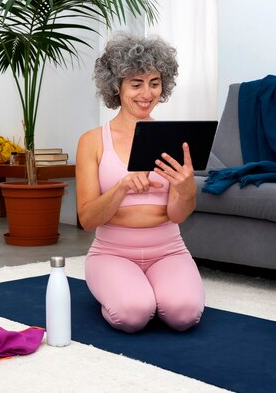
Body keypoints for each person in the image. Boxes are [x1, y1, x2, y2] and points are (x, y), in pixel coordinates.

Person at [76, 34, 204, 333]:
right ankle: (127, 290)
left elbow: (177, 215)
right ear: (116, 87)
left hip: (168, 249)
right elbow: (87, 219)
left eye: (155, 83)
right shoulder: (92, 141)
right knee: (133, 315)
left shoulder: (173, 139)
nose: (147, 94)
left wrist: (186, 189)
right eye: (136, 84)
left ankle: (154, 289)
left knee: (184, 315)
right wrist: (121, 188)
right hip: (112, 252)